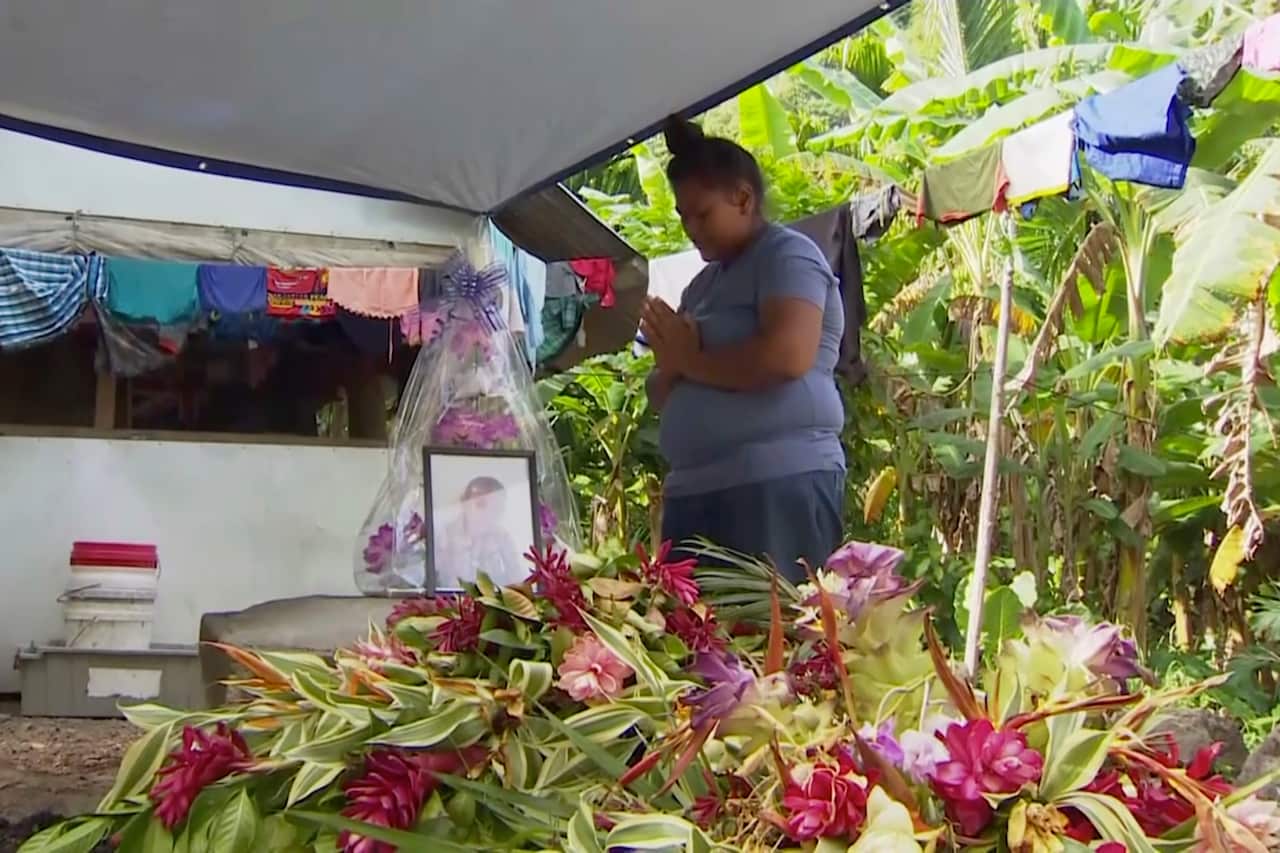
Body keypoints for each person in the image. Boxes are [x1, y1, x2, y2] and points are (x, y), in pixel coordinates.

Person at [640, 116, 845, 582]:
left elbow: (787, 357)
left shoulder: (787, 255)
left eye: (703, 214)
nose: (691, 228)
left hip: (774, 485)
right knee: (693, 645)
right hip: (695, 490)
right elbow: (661, 390)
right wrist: (673, 363)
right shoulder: (699, 288)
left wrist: (688, 359)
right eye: (683, 217)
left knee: (773, 641)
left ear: (744, 199)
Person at [433, 475, 525, 588]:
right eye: (480, 505)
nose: (488, 514)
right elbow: (434, 582)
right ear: (464, 503)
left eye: (496, 508)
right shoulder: (443, 535)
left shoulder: (503, 538)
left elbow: (518, 582)